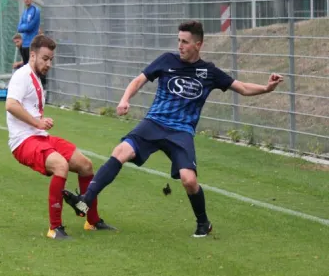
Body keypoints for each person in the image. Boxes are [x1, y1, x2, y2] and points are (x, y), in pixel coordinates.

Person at [62, 20, 284, 238]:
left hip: (181, 132)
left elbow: (243, 88)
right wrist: (124, 99)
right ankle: (85, 201)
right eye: (178, 40)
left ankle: (203, 223)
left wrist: (267, 88)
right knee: (120, 151)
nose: (180, 46)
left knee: (189, 180)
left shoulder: (209, 72)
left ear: (198, 45)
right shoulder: (167, 60)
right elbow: (138, 80)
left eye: (185, 42)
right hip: (154, 123)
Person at [6, 34, 115, 240]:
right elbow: (11, 105)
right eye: (45, 58)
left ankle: (91, 220)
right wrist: (38, 122)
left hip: (40, 136)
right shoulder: (22, 76)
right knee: (61, 165)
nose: (48, 64)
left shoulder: (36, 77)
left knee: (85, 165)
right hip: (23, 141)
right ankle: (54, 228)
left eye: (51, 59)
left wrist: (40, 124)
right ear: (33, 55)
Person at [17, 0, 40, 66]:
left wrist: (25, 26)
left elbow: (30, 27)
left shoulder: (35, 10)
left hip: (32, 45)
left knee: (33, 69)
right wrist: (25, 26)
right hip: (24, 45)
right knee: (27, 70)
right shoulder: (24, 12)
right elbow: (19, 28)